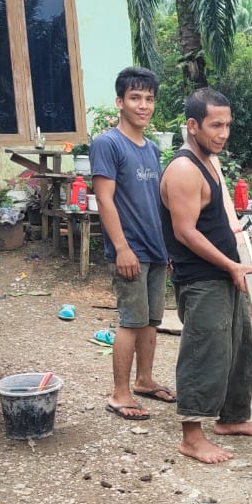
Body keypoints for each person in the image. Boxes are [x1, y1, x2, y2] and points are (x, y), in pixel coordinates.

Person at [160, 88, 252, 464]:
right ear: (193, 125)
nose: (223, 133)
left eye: (227, 125)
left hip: (223, 272)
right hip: (202, 278)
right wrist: (230, 264)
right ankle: (192, 436)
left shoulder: (209, 162)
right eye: (215, 125)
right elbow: (185, 231)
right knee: (204, 351)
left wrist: (236, 256)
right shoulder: (185, 169)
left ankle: (231, 418)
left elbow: (218, 217)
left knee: (236, 348)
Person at [92, 67, 173, 421]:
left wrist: (168, 247)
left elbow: (157, 201)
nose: (143, 105)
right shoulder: (107, 144)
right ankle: (119, 393)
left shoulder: (152, 149)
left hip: (156, 250)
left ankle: (144, 380)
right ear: (120, 102)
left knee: (151, 321)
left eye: (149, 99)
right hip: (130, 250)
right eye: (135, 98)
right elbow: (104, 200)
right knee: (130, 321)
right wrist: (121, 247)